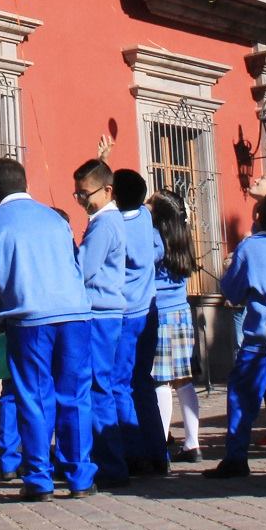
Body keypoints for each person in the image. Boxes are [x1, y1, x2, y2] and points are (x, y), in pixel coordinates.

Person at [0, 157, 93, 501]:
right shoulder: (55, 219)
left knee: (35, 397)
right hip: (74, 313)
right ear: (26, 183)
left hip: (28, 317)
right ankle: (80, 475)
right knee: (75, 395)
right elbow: (74, 263)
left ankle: (39, 478)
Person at [206, 194, 266, 480]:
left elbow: (233, 290)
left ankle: (236, 457)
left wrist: (229, 272)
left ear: (259, 214)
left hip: (260, 337)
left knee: (241, 399)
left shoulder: (249, 247)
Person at [72, 154, 129, 486]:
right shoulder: (105, 220)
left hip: (100, 313)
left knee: (96, 387)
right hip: (106, 313)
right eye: (78, 194)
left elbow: (84, 268)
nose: (81, 201)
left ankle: (109, 464)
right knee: (99, 386)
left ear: (107, 191)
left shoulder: (105, 224)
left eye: (85, 195)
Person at [111, 167, 168, 473]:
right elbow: (158, 250)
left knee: (119, 383)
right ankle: (158, 452)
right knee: (143, 382)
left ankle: (134, 452)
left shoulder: (113, 226)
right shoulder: (146, 219)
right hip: (150, 308)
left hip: (124, 314)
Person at [148, 189, 202, 462]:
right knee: (184, 380)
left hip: (161, 315)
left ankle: (161, 442)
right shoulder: (183, 236)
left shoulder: (156, 239)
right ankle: (193, 442)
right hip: (182, 312)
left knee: (160, 380)